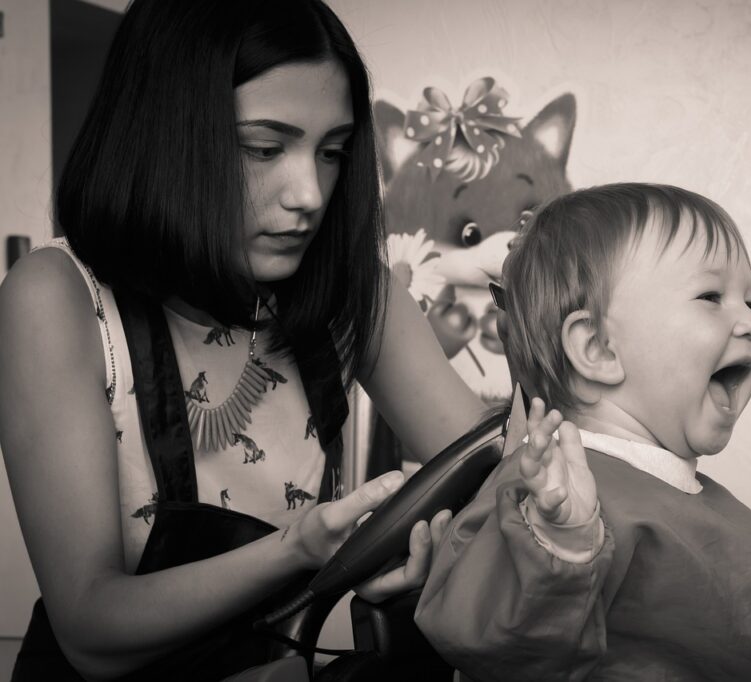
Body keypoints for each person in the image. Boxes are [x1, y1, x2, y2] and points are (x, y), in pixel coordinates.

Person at [0, 1, 485, 680]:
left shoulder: (351, 291)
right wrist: (299, 551)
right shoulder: (57, 296)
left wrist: (422, 550)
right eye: (264, 148)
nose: (309, 194)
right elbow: (90, 627)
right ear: (165, 136)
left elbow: (493, 475)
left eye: (332, 152)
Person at [415, 183, 751, 681]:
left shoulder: (712, 507)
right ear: (598, 348)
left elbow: (711, 645)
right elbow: (488, 645)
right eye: (711, 297)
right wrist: (559, 548)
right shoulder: (545, 495)